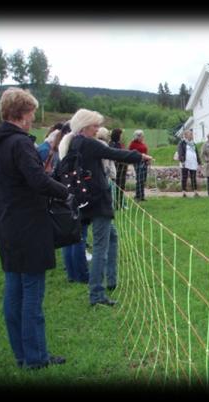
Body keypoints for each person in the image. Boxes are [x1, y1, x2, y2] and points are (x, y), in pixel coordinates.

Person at [0, 87, 70, 369]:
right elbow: (38, 181)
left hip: (8, 225)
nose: (33, 118)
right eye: (32, 112)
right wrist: (65, 192)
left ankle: (23, 355)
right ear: (21, 114)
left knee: (14, 290)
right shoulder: (20, 144)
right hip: (28, 226)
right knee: (31, 293)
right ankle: (36, 358)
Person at [61, 109, 152, 306]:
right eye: (94, 126)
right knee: (101, 246)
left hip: (88, 199)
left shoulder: (74, 142)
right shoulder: (88, 143)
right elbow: (114, 153)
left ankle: (111, 280)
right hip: (98, 201)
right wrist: (140, 157)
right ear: (85, 126)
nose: (97, 130)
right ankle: (96, 294)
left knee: (112, 237)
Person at [177, 130, 201, 198]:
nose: (192, 135)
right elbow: (180, 152)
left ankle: (195, 192)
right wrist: (182, 161)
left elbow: (196, 153)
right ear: (186, 135)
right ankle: (184, 192)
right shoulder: (182, 143)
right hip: (185, 162)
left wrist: (199, 162)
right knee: (184, 177)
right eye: (190, 134)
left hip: (193, 162)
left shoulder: (193, 143)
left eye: (192, 134)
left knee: (193, 177)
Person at [128, 129, 150, 202]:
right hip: (138, 162)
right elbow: (131, 153)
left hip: (145, 162)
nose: (143, 137)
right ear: (137, 136)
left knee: (143, 179)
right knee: (139, 179)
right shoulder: (133, 144)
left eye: (142, 136)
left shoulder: (142, 143)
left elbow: (145, 151)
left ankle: (142, 195)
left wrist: (148, 159)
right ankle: (138, 196)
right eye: (141, 136)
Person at [109, 128, 127, 209]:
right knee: (118, 187)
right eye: (121, 135)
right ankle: (117, 204)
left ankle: (120, 203)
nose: (122, 136)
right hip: (118, 169)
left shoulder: (117, 144)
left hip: (121, 169)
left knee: (120, 187)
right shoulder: (113, 145)